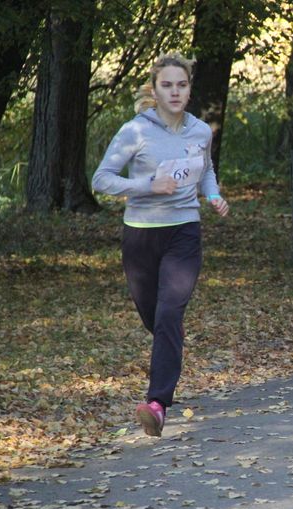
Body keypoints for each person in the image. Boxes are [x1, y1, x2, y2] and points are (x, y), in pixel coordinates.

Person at [92, 53, 229, 437]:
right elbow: (101, 179)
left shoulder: (201, 130)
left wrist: (213, 194)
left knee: (169, 314)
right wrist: (146, 186)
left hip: (184, 231)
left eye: (181, 85)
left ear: (189, 89)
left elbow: (206, 169)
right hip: (140, 234)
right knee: (157, 320)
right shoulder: (135, 131)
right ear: (154, 89)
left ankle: (157, 404)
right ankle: (171, 351)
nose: (175, 91)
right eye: (167, 85)